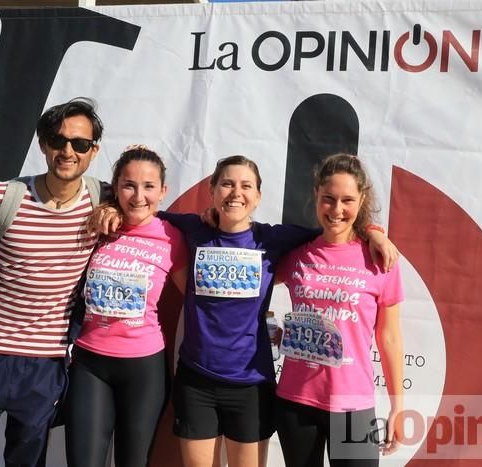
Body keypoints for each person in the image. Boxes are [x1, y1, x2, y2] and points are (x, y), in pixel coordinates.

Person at [89, 154, 398, 467]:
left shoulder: (277, 241)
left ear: (258, 196)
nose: (236, 192)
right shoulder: (195, 229)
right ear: (212, 190)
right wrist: (112, 206)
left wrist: (373, 231)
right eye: (227, 184)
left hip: (258, 386)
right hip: (201, 382)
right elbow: (146, 211)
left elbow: (335, 232)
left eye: (246, 185)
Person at [0, 98, 104, 467]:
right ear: (43, 144)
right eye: (57, 141)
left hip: (44, 364)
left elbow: (146, 201)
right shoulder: (3, 196)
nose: (67, 151)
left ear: (94, 150)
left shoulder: (101, 200)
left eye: (79, 144)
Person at [275, 153, 404, 467]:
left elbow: (389, 337)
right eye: (328, 199)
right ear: (316, 196)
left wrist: (398, 406)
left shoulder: (380, 259)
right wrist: (273, 333)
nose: (336, 210)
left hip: (353, 404)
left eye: (347, 200)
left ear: (362, 200)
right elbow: (250, 296)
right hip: (295, 400)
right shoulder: (295, 254)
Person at [64, 146, 187, 467]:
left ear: (163, 191)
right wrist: (104, 206)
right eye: (129, 185)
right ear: (115, 187)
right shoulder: (98, 226)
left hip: (144, 369)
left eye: (148, 187)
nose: (138, 196)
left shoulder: (172, 237)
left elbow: (200, 302)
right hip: (90, 364)